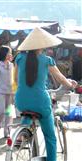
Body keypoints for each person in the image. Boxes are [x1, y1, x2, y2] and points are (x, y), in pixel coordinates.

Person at [15, 27, 77, 161]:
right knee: (50, 137)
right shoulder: (46, 60)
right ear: (42, 46)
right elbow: (60, 78)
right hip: (40, 102)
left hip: (20, 100)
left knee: (27, 110)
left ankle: (22, 133)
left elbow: (15, 80)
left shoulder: (19, 58)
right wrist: (70, 85)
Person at [0, 46, 14, 138]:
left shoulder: (12, 65)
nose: (10, 54)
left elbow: (13, 79)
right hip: (1, 91)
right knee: (0, 111)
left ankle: (7, 131)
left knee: (9, 112)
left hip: (10, 92)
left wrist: (15, 91)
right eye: (9, 53)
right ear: (4, 53)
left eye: (11, 53)